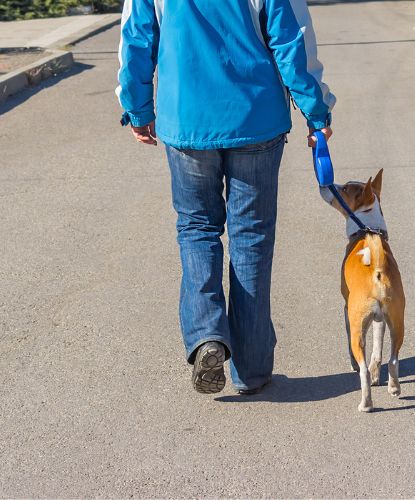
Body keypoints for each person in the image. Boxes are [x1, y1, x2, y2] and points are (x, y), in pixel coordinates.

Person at [115, 0, 335, 395]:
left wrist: (136, 106)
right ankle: (251, 369)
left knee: (197, 228)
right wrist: (315, 111)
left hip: (187, 120)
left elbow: (136, 37)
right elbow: (291, 39)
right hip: (257, 119)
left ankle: (207, 337)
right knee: (251, 237)